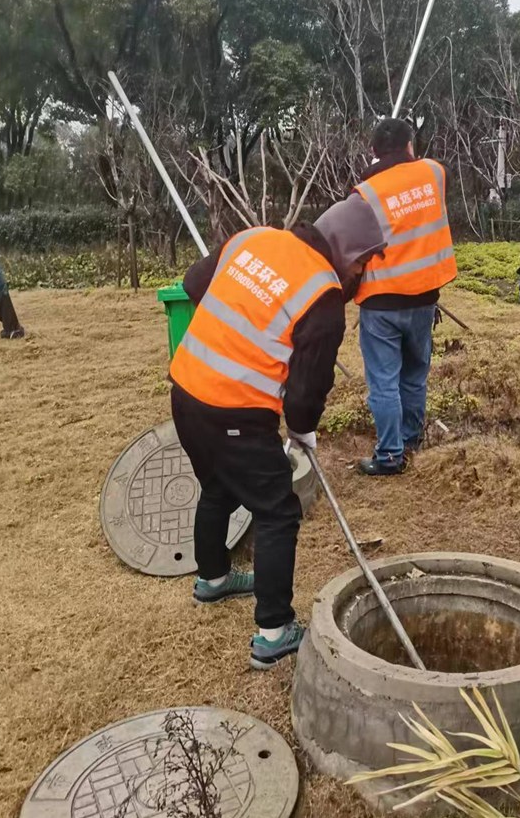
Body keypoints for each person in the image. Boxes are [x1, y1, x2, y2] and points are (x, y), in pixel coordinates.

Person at [169, 197, 385, 670]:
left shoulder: (256, 237)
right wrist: (303, 432)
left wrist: (243, 329)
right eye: (364, 263)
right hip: (234, 411)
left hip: (186, 389)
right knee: (277, 510)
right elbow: (307, 388)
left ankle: (213, 579)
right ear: (348, 253)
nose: (362, 276)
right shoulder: (323, 294)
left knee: (219, 487)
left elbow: (193, 282)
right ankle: (273, 632)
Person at [353, 117, 457, 476]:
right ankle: (411, 440)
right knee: (414, 376)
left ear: (373, 151)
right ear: (411, 145)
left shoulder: (365, 192)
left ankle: (390, 456)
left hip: (381, 301)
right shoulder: (434, 173)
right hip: (425, 298)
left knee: (384, 381)